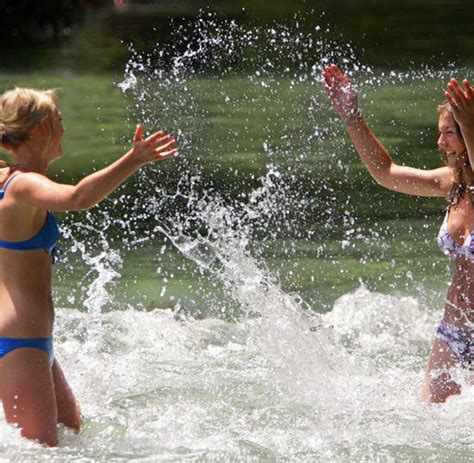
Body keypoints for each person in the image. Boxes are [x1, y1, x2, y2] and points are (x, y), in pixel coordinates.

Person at [0, 87, 177, 446]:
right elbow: (78, 197)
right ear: (42, 130)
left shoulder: (6, 178)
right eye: (59, 121)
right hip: (20, 340)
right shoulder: (24, 185)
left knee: (71, 431)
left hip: (28, 338)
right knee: (42, 452)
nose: (65, 129)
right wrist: (133, 159)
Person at [322, 64, 474, 404]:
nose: (440, 142)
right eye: (442, 132)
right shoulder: (451, 185)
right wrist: (352, 116)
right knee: (431, 425)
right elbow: (386, 172)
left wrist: (468, 121)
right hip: (453, 332)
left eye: (450, 132)